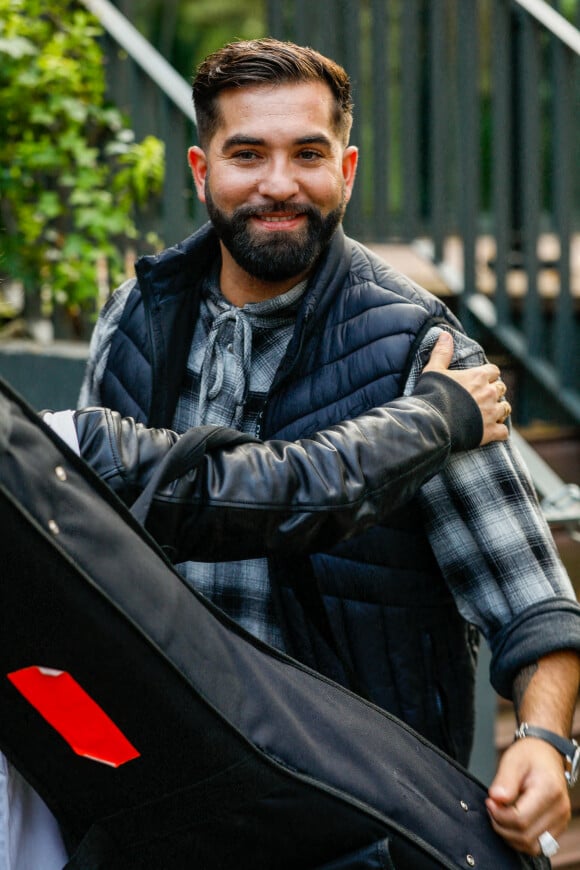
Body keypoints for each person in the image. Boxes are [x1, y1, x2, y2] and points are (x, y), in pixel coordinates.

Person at [79, 39, 580, 859]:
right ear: (202, 171)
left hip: (352, 814)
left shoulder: (422, 351)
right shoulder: (134, 316)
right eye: (248, 154)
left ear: (345, 170)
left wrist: (545, 742)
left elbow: (529, 601)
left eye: (307, 154)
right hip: (159, 796)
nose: (280, 184)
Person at [0, 335, 506, 870]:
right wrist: (437, 416)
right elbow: (281, 486)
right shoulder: (35, 462)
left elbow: (277, 487)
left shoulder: (42, 454)